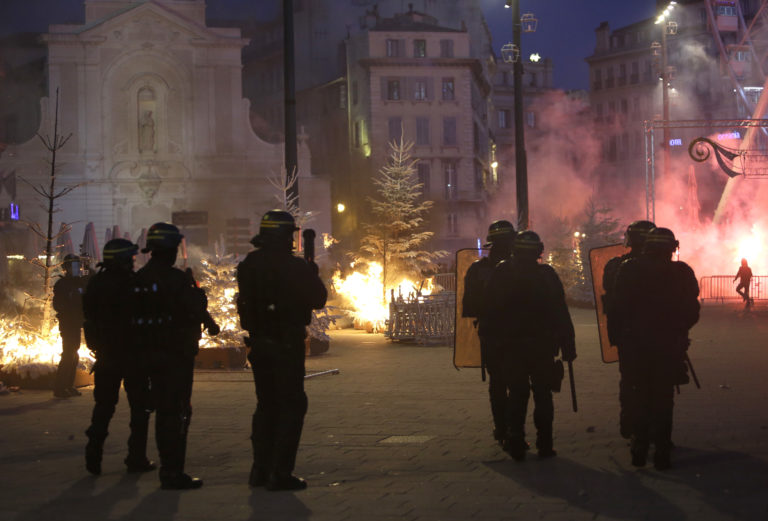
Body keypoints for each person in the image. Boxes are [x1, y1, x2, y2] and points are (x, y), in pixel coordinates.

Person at [237, 210, 327, 491]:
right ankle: (280, 472)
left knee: (266, 406)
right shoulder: (295, 267)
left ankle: (260, 470)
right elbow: (318, 299)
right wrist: (311, 274)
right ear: (285, 236)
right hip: (287, 344)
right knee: (291, 405)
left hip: (260, 342)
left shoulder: (249, 264)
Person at [134, 222, 219, 490]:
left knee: (161, 410)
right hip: (175, 356)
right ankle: (172, 471)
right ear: (170, 250)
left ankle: (163, 466)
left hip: (147, 355)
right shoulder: (177, 279)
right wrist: (198, 296)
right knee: (178, 412)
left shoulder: (139, 279)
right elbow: (195, 309)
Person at [612, 227, 699, 470]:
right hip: (668, 347)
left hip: (636, 347)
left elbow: (618, 307)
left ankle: (639, 447)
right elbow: (692, 311)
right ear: (672, 248)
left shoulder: (629, 269)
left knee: (639, 394)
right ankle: (662, 449)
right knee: (663, 397)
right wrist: (678, 330)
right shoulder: (682, 273)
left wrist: (625, 336)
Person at [485, 231, 576, 461]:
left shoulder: (502, 272)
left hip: (511, 346)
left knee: (517, 393)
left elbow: (490, 311)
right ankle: (545, 444)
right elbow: (560, 312)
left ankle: (515, 440)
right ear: (539, 251)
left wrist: (490, 344)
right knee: (543, 394)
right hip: (542, 346)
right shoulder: (546, 275)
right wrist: (568, 345)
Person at [83, 239, 155, 475]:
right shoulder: (132, 284)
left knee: (103, 406)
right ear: (124, 259)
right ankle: (136, 458)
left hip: (106, 356)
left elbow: (89, 318)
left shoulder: (96, 283)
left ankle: (93, 453)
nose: (134, 262)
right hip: (133, 356)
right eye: (132, 258)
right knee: (139, 409)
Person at [461, 220, 515, 445]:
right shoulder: (520, 268)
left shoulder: (478, 270)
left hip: (492, 333)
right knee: (517, 383)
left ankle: (503, 429)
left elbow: (469, 306)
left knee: (499, 383)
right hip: (516, 334)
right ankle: (512, 430)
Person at [602, 220, 655, 439]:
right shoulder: (665, 268)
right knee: (656, 383)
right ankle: (655, 430)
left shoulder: (616, 266)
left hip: (628, 335)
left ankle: (630, 423)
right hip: (658, 336)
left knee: (630, 380)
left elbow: (609, 294)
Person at [52, 254, 89, 398]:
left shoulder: (79, 282)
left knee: (74, 354)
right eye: (73, 266)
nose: (76, 269)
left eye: (77, 265)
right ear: (66, 268)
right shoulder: (62, 285)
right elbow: (59, 305)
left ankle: (68, 385)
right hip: (68, 324)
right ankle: (60, 388)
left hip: (76, 323)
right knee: (68, 354)